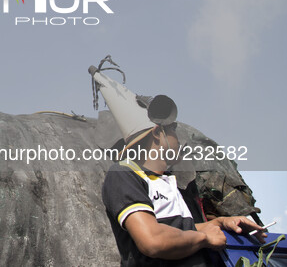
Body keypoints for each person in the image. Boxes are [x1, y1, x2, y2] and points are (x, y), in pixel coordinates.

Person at [90, 66, 267, 266]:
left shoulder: (169, 181)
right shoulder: (124, 175)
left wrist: (221, 223)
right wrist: (205, 238)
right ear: (158, 133)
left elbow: (180, 230)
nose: (178, 137)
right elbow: (153, 240)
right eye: (173, 130)